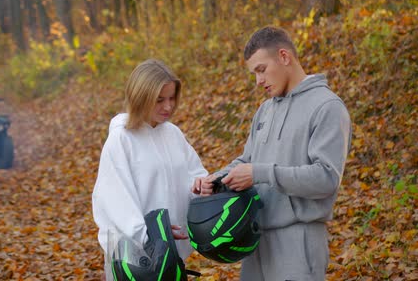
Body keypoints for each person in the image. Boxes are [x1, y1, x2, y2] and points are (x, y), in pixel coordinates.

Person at [193, 26, 351, 280]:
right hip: (255, 241)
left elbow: (326, 179)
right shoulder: (265, 110)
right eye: (254, 73)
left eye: (261, 70)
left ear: (284, 57)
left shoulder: (327, 107)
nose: (258, 81)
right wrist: (216, 179)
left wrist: (260, 173)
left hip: (299, 240)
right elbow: (247, 161)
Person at [92, 59, 208, 280]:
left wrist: (201, 187)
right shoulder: (121, 139)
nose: (168, 106)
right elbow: (116, 202)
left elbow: (195, 176)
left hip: (171, 257)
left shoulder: (173, 134)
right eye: (159, 100)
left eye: (172, 98)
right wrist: (151, 237)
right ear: (140, 97)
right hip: (135, 263)